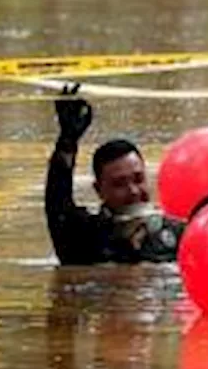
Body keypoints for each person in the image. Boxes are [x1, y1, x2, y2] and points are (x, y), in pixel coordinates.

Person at [45, 84, 183, 266]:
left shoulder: (177, 234)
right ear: (99, 190)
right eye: (120, 184)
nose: (133, 191)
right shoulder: (83, 238)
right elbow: (57, 203)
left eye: (138, 179)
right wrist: (67, 140)